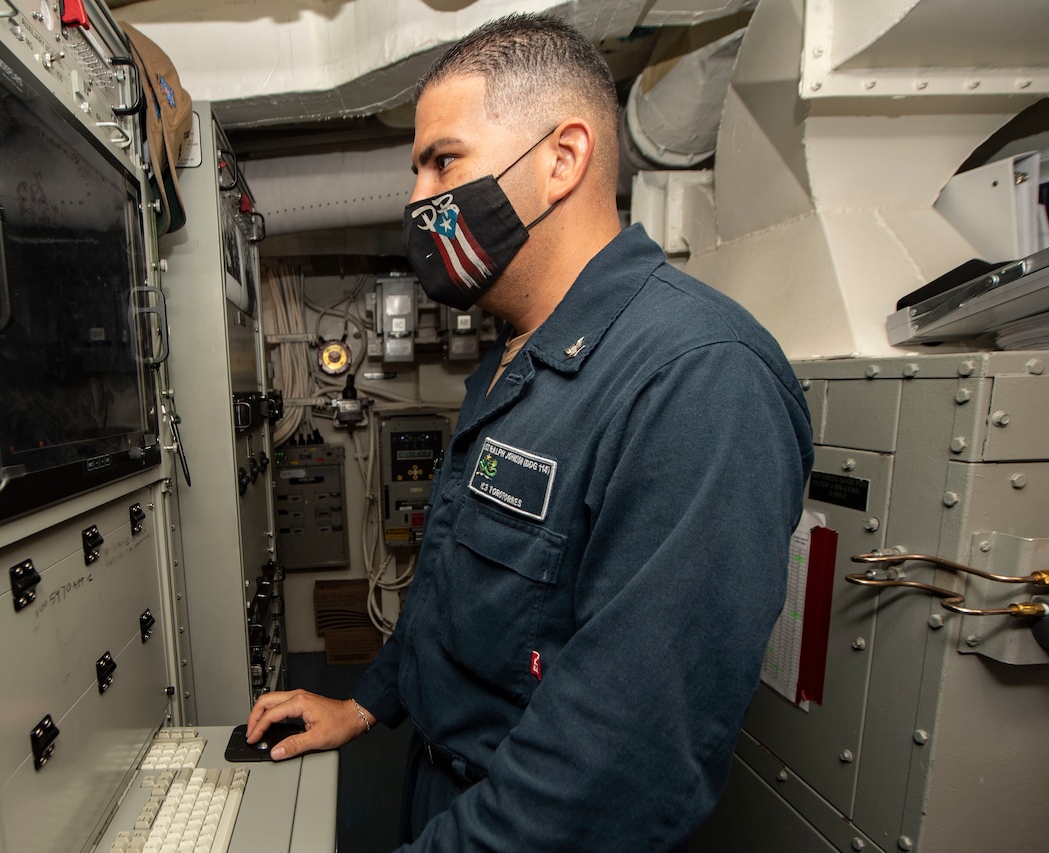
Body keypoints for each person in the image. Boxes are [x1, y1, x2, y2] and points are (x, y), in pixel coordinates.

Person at [247, 12, 814, 850]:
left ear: (563, 158)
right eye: (416, 171)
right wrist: (367, 702)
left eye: (443, 160)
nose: (417, 200)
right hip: (447, 790)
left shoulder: (698, 378)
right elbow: (454, 590)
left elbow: (616, 772)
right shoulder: (516, 359)